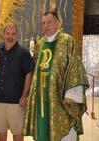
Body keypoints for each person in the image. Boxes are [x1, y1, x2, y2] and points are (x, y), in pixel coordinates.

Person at [23, 12, 89, 141]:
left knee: (63, 133)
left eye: (49, 22)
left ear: (58, 23)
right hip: (41, 99)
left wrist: (71, 94)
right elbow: (36, 70)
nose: (46, 26)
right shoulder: (39, 44)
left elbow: (75, 67)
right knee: (43, 131)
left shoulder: (67, 40)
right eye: (43, 23)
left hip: (61, 99)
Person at [0, 23, 34, 141]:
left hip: (17, 102)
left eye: (13, 34)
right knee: (0, 134)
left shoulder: (24, 53)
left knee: (18, 134)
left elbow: (28, 75)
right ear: (3, 34)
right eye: (8, 33)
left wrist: (24, 96)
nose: (10, 36)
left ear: (17, 35)